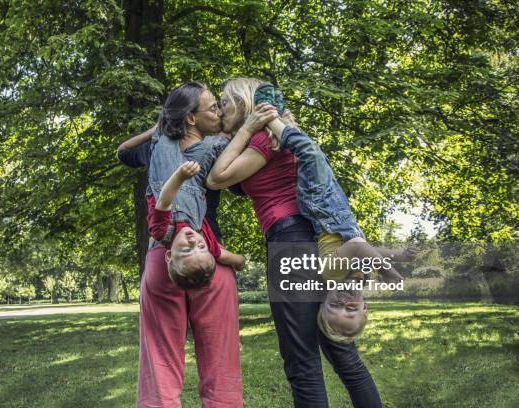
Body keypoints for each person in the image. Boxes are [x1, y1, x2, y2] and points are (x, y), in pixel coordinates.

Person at [207, 77, 383, 407]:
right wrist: (229, 134)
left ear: (245, 104)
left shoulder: (261, 138)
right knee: (342, 353)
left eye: (225, 102)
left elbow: (216, 178)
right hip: (312, 241)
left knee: (302, 361)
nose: (219, 109)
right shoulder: (270, 137)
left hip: (291, 242)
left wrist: (245, 128)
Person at [255, 82, 417, 343]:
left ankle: (268, 115)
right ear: (364, 307)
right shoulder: (358, 278)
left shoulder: (331, 273)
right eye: (350, 309)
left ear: (325, 302)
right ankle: (281, 114)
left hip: (322, 209)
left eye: (334, 307)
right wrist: (399, 255)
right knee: (308, 154)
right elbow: (368, 249)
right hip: (338, 210)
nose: (343, 302)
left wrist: (387, 269)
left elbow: (354, 248)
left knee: (310, 154)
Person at [118, 82, 246, 407]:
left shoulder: (162, 146)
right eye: (213, 107)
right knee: (221, 362)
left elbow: (123, 152)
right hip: (209, 258)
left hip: (164, 259)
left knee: (159, 360)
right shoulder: (219, 150)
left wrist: (156, 129)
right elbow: (244, 186)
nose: (219, 112)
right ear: (190, 118)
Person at [147, 159, 245, 289]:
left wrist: (179, 176)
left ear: (169, 255)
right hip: (192, 184)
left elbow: (164, 202)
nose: (194, 242)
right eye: (201, 247)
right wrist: (240, 261)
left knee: (165, 141)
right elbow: (223, 255)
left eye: (187, 250)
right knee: (214, 145)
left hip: (165, 179)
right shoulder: (204, 239)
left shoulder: (162, 232)